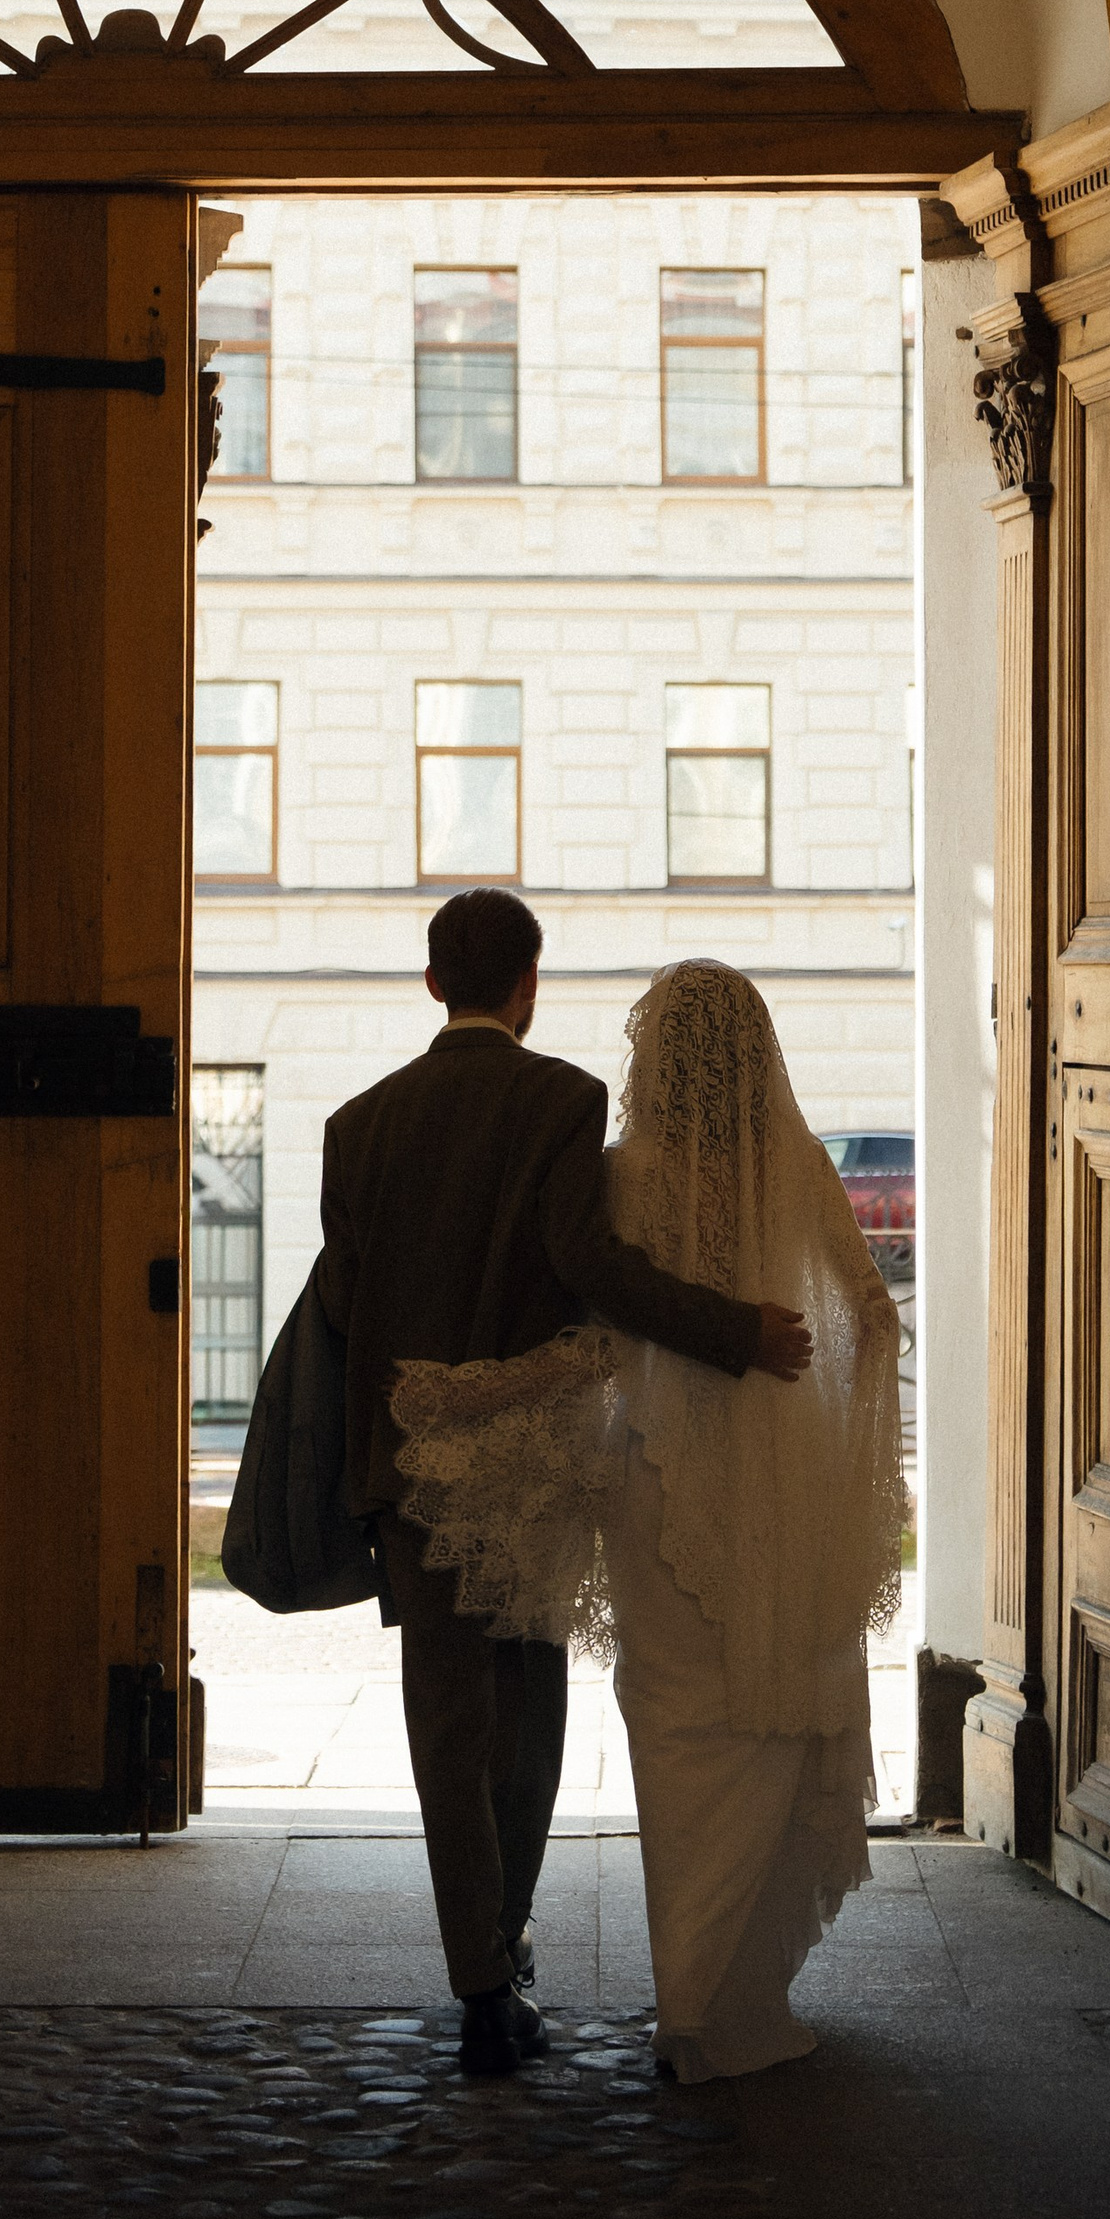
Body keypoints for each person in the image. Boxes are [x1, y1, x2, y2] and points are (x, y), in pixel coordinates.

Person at [314, 891, 813, 2079]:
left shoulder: (355, 1122)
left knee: (442, 1719)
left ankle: (480, 1985)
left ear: (433, 983)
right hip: (526, 1458)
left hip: (407, 1452)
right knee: (525, 1707)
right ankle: (508, 1930)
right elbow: (590, 1264)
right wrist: (730, 1327)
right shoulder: (562, 1100)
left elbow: (343, 1297)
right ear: (527, 981)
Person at [393, 958, 905, 2084]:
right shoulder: (804, 1167)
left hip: (655, 1483)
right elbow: (869, 1313)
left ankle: (683, 1995)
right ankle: (718, 1996)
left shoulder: (621, 1174)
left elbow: (596, 1325)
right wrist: (838, 1439)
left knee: (671, 1724)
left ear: (654, 1060)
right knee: (763, 1718)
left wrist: (476, 1390)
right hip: (780, 1480)